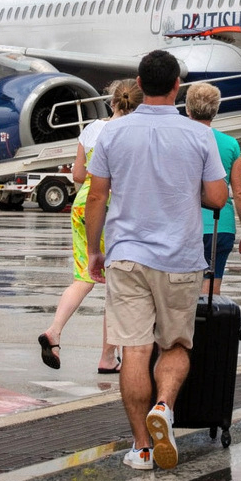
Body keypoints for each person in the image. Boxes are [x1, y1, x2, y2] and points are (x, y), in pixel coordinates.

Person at [85, 50, 228, 472]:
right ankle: (164, 405)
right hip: (180, 257)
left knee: (133, 350)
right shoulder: (199, 136)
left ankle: (142, 447)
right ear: (176, 86)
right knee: (177, 344)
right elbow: (218, 197)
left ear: (138, 83)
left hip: (126, 254)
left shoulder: (112, 133)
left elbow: (96, 196)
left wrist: (95, 249)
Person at [40, 77, 141, 374]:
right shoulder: (133, 132)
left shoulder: (91, 129)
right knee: (117, 285)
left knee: (84, 276)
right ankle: (108, 356)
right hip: (113, 205)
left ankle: (55, 330)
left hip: (84, 204)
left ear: (111, 102)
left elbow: (78, 175)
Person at [184, 81, 241, 296]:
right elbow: (240, 192)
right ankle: (207, 329)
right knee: (211, 288)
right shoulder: (230, 144)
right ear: (215, 111)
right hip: (219, 224)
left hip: (184, 223)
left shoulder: (178, 138)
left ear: (187, 108)